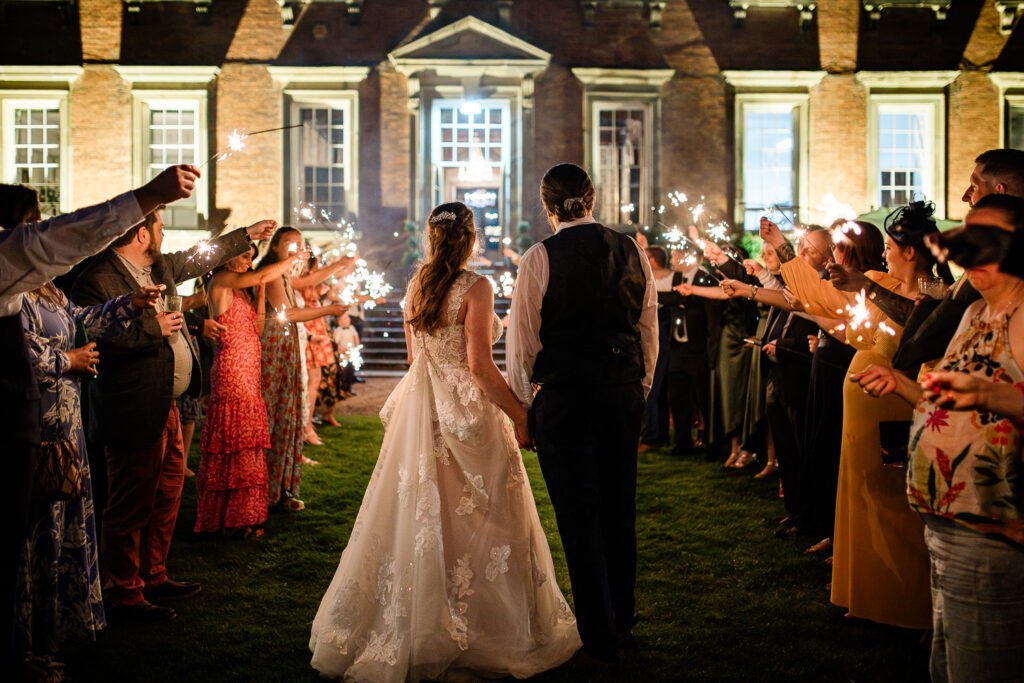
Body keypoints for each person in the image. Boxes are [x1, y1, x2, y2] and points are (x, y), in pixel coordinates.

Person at [310, 202, 581, 681]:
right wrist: (521, 416)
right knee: (487, 519)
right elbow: (479, 366)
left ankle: (430, 624)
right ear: (471, 238)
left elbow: (415, 360)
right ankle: (483, 628)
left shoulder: (417, 285)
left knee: (426, 516)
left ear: (432, 237)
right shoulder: (476, 286)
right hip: (470, 416)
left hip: (425, 411)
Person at [0, 166, 196, 669]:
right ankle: (25, 642)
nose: (40, 227)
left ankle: (54, 627)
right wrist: (67, 361)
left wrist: (128, 304)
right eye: (33, 221)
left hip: (65, 423)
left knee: (64, 523)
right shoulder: (11, 283)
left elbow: (82, 320)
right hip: (37, 421)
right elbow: (20, 350)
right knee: (35, 530)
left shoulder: (45, 287)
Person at [71, 209, 276, 621]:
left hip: (165, 400)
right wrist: (154, 329)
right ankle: (123, 591)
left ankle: (155, 574)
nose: (164, 234)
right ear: (142, 234)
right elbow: (90, 337)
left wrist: (247, 234)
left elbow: (197, 258)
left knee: (167, 493)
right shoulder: (97, 278)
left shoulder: (158, 266)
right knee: (130, 501)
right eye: (160, 228)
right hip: (131, 406)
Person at [853, 194, 1024, 681]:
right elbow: (945, 404)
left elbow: (988, 395)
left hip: (992, 529)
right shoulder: (973, 314)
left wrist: (990, 394)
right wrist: (901, 384)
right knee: (947, 666)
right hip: (944, 521)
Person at [762, 203, 944, 629]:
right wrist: (785, 250)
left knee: (894, 502)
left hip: (894, 403)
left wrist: (860, 287)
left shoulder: (933, 294)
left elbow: (918, 330)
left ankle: (902, 600)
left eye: (892, 248)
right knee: (861, 496)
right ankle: (868, 593)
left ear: (911, 252)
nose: (885, 255)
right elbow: (825, 300)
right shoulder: (881, 280)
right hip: (864, 403)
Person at [506, 163, 657, 665]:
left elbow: (523, 342)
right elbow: (647, 328)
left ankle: (599, 634)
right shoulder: (631, 249)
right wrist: (639, 387)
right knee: (619, 510)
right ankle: (622, 621)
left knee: (578, 516)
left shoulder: (539, 257)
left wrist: (523, 408)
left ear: (547, 205)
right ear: (591, 199)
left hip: (566, 399)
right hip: (621, 394)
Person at [194, 241, 307, 536]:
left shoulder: (242, 290)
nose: (249, 262)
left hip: (249, 372)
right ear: (228, 257)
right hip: (232, 371)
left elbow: (258, 328)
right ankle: (228, 518)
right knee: (233, 442)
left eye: (252, 257)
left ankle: (244, 515)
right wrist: (294, 258)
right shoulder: (221, 279)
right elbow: (261, 274)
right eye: (245, 256)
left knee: (246, 443)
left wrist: (260, 294)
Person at [255, 228, 350, 510]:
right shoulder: (273, 274)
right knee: (275, 417)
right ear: (275, 246)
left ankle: (280, 488)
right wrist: (328, 311)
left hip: (288, 347)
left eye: (299, 245)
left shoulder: (285, 275)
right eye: (289, 244)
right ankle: (265, 490)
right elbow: (289, 314)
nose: (296, 249)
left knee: (288, 415)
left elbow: (306, 285)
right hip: (275, 351)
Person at [659, 246, 721, 455]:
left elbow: (713, 317)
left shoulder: (705, 278)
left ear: (687, 256)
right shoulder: (676, 277)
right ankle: (682, 442)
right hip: (678, 347)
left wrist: (711, 349)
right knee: (678, 397)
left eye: (674, 255)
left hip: (699, 348)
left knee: (704, 398)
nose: (671, 259)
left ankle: (711, 443)